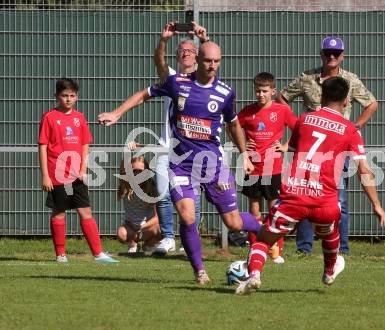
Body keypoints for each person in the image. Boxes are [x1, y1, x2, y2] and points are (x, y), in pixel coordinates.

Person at [98, 41, 261, 284]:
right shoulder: (178, 84)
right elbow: (145, 94)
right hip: (181, 164)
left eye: (216, 61)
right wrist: (116, 113)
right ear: (198, 60)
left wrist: (244, 154)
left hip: (212, 164)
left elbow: (233, 124)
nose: (212, 66)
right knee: (187, 216)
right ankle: (199, 271)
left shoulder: (225, 93)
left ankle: (268, 227)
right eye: (207, 61)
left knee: (234, 222)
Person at [236, 77, 385, 295]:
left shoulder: (305, 120)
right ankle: (328, 272)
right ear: (346, 101)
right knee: (330, 234)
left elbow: (294, 147)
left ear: (322, 96)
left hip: (294, 197)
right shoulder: (351, 130)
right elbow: (363, 170)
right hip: (325, 202)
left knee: (262, 239)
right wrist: (376, 204)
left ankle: (255, 275)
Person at [277, 36, 379, 255]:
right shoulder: (307, 78)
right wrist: (298, 125)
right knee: (304, 194)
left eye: (336, 54)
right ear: (321, 54)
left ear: (342, 56)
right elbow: (283, 97)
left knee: (338, 198)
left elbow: (371, 103)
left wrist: (355, 126)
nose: (331, 57)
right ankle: (304, 248)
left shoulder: (350, 80)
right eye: (327, 53)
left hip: (337, 148)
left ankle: (341, 248)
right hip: (310, 148)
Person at [38, 78, 119, 263]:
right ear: (57, 96)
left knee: (85, 212)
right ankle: (60, 254)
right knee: (59, 212)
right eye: (64, 95)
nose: (68, 99)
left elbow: (85, 144)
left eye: (72, 96)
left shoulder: (79, 118)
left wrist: (83, 169)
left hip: (77, 176)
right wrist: (45, 175)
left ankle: (98, 254)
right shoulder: (49, 117)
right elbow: (42, 146)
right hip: (57, 175)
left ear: (77, 97)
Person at [152, 21, 209, 254]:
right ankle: (168, 238)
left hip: (193, 148)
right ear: (177, 57)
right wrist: (164, 39)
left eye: (190, 51)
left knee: (192, 199)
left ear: (197, 57)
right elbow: (159, 62)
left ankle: (190, 240)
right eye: (182, 51)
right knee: (163, 193)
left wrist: (204, 39)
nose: (186, 53)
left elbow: (211, 63)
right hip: (167, 146)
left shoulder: (203, 79)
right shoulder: (172, 78)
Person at [238, 72, 297, 264]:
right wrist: (243, 147)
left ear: (273, 91)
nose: (260, 95)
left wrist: (287, 146)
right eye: (257, 91)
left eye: (264, 91)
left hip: (273, 168)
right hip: (253, 168)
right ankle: (255, 249)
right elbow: (233, 127)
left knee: (274, 212)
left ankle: (275, 252)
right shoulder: (247, 111)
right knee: (254, 212)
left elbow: (298, 128)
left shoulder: (281, 110)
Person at [116, 155, 162, 255]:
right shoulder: (125, 184)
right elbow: (122, 166)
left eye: (140, 171)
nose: (137, 174)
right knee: (121, 233)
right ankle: (133, 244)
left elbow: (157, 218)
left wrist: (142, 228)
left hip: (147, 228)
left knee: (162, 229)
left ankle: (149, 244)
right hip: (131, 228)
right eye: (134, 171)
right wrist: (130, 150)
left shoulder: (152, 189)